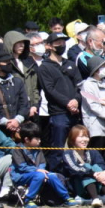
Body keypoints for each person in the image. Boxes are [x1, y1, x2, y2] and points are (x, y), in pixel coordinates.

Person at [38, 31, 82, 163]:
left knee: (77, 147)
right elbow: (49, 90)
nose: (61, 45)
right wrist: (67, 103)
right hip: (58, 113)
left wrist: (76, 100)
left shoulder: (70, 64)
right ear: (49, 46)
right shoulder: (44, 67)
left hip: (75, 112)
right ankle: (57, 176)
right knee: (58, 149)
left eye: (63, 42)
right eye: (58, 42)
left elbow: (79, 85)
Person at [10, 123, 73, 208]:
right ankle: (28, 200)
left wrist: (42, 171)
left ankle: (66, 198)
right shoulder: (18, 150)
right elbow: (22, 167)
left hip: (37, 174)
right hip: (21, 176)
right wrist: (38, 171)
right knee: (39, 175)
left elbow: (42, 163)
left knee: (52, 175)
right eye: (36, 138)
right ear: (27, 140)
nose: (39, 140)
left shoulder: (38, 149)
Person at [59, 125, 105, 207]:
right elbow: (74, 169)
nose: (84, 140)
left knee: (97, 167)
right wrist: (93, 173)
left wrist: (104, 173)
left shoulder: (92, 152)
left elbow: (102, 164)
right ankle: (95, 198)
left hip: (97, 183)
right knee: (86, 168)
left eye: (86, 136)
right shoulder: (68, 153)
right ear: (73, 139)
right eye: (81, 137)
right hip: (78, 185)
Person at [0, 47, 31, 139]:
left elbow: (25, 103)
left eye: (10, 62)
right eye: (6, 62)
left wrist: (17, 120)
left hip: (19, 127)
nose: (9, 64)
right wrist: (6, 122)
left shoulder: (17, 82)